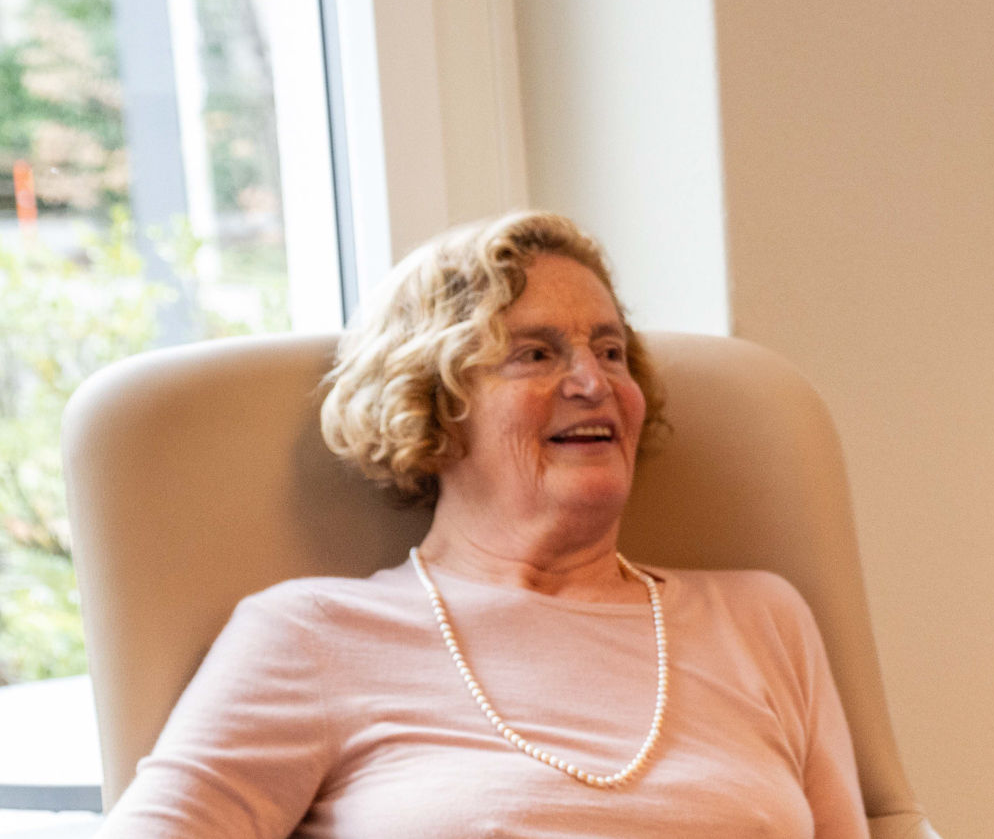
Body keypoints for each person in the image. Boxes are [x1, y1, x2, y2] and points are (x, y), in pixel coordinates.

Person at [101, 212, 869, 838]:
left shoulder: (763, 619)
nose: (593, 381)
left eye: (611, 351)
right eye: (536, 354)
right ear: (430, 406)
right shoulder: (310, 636)